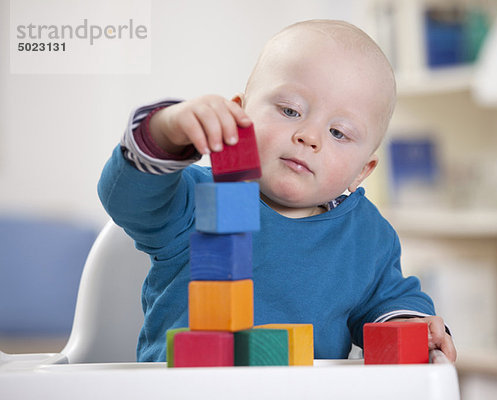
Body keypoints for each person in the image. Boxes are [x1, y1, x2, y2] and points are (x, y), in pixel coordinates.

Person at [98, 19, 457, 363]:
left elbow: (390, 304)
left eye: (338, 133)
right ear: (238, 113)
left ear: (362, 172)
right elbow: (127, 198)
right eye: (289, 110)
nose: (309, 136)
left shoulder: (368, 236)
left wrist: (413, 329)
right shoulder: (198, 199)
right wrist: (167, 130)